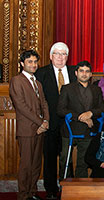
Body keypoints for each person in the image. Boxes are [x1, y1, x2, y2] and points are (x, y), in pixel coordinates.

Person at [35, 42, 76, 199]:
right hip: (49, 123)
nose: (60, 57)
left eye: (64, 54)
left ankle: (69, 189)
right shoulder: (41, 73)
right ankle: (51, 191)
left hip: (69, 124)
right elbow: (37, 100)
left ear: (67, 57)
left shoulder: (74, 73)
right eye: (57, 54)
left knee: (68, 158)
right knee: (50, 158)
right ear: (51, 56)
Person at [9, 50, 49, 200]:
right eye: (29, 62)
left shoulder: (37, 82)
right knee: (26, 164)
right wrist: (41, 122)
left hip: (40, 129)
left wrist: (46, 121)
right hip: (27, 129)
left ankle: (32, 192)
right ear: (22, 64)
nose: (33, 65)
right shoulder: (16, 81)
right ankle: (23, 195)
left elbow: (44, 103)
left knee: (36, 164)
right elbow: (21, 106)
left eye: (35, 62)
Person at [57, 61, 104, 180]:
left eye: (87, 71)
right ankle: (65, 187)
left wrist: (90, 113)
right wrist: (81, 117)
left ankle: (80, 189)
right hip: (69, 130)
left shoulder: (96, 90)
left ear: (91, 74)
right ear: (76, 73)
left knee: (83, 162)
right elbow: (60, 110)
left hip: (88, 132)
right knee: (65, 159)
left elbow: (102, 109)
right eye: (81, 71)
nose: (84, 74)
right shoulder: (67, 88)